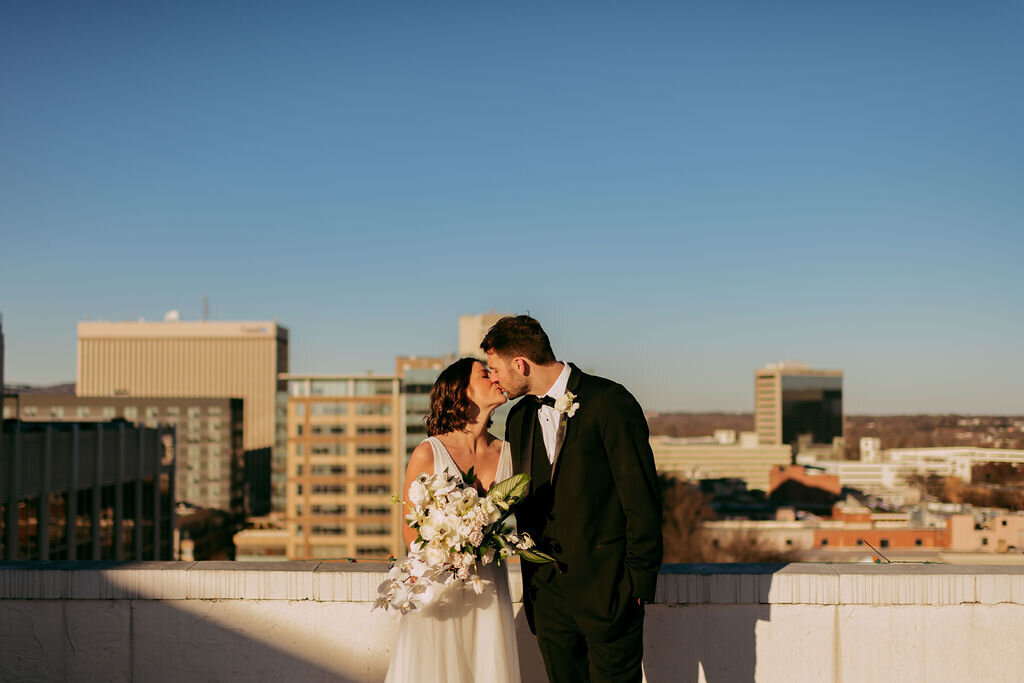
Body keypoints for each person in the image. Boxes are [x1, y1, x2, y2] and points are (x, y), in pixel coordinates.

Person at [482, 315, 663, 683]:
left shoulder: (609, 401)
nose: (493, 378)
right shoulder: (517, 418)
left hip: (610, 593)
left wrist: (636, 588)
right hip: (548, 602)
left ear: (520, 364)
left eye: (494, 368)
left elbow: (641, 499)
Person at [384, 357, 521, 683]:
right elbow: (410, 533)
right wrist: (453, 549)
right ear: (462, 391)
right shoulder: (428, 453)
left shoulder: (509, 454)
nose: (495, 377)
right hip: (440, 588)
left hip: (488, 583)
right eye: (484, 374)